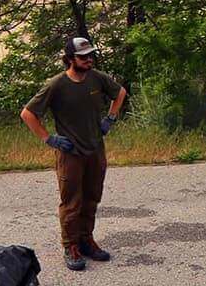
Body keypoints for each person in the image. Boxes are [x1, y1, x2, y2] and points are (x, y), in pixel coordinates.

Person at [20, 35, 127, 272]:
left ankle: (87, 240)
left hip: (95, 149)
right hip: (70, 153)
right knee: (72, 202)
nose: (89, 60)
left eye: (90, 55)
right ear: (70, 59)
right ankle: (71, 246)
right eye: (83, 57)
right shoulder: (57, 84)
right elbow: (27, 114)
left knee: (92, 197)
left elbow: (120, 93)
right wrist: (49, 138)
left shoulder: (97, 78)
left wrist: (110, 118)